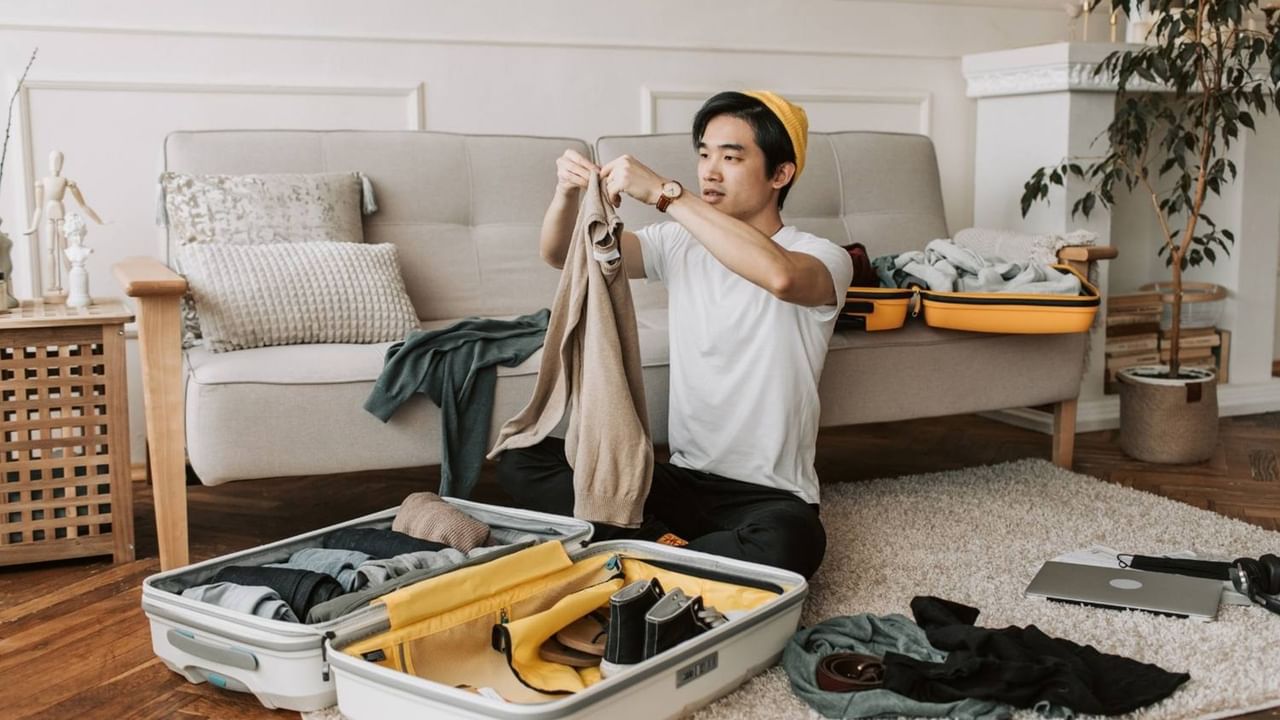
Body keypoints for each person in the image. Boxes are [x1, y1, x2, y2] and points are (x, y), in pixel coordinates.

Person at [496, 91, 853, 579]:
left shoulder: (821, 256)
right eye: (704, 153)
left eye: (731, 157)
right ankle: (673, 551)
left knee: (793, 542)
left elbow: (782, 277)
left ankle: (639, 547)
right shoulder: (677, 243)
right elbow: (563, 255)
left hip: (768, 496)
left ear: (780, 174)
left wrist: (668, 194)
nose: (709, 170)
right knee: (522, 455)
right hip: (676, 480)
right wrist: (566, 195)